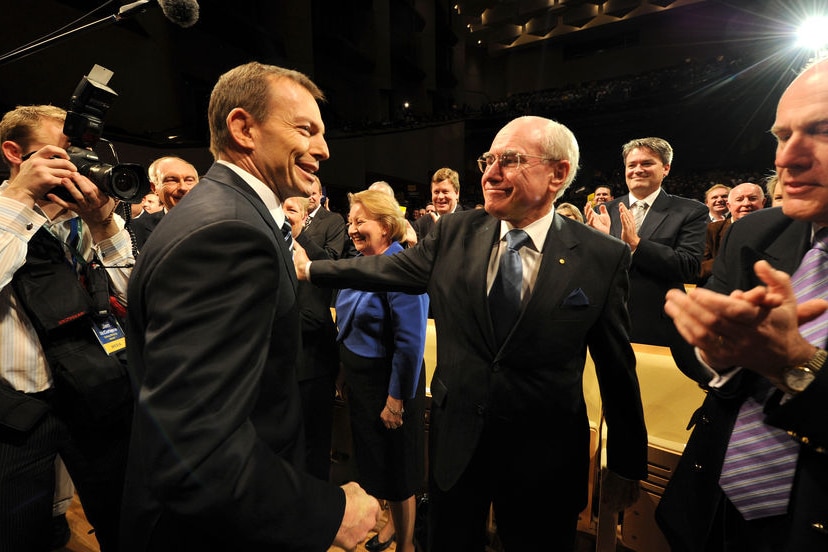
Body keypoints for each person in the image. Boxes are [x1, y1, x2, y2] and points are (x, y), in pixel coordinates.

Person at [296, 115, 648, 551]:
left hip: (545, 457)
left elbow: (617, 368)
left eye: (510, 160)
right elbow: (385, 267)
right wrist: (310, 269)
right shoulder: (453, 232)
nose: (490, 173)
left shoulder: (602, 256)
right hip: (457, 444)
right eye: (489, 159)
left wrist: (629, 465)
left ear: (558, 173)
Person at [121, 62, 380, 551]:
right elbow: (199, 444)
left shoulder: (226, 214)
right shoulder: (230, 232)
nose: (324, 149)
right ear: (244, 128)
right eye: (306, 129)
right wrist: (327, 513)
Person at [655, 58, 828, 552]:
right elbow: (714, 368)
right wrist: (718, 352)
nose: (787, 158)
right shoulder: (755, 233)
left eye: (822, 131)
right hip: (712, 510)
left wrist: (798, 365)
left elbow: (785, 362)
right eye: (781, 135)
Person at [0, 104, 134, 552]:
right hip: (18, 415)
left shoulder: (81, 224)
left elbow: (133, 297)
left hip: (91, 394)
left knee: (125, 521)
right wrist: (19, 200)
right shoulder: (4, 214)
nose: (75, 170)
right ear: (14, 154)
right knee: (22, 535)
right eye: (60, 156)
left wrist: (102, 223)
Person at [334, 189, 428, 552]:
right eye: (350, 222)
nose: (353, 230)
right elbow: (347, 324)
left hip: (391, 388)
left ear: (387, 226)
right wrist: (344, 371)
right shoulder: (359, 262)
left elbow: (410, 344)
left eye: (361, 222)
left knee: (399, 471)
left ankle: (405, 544)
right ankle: (387, 529)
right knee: (375, 466)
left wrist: (396, 399)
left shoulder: (402, 266)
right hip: (360, 385)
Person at [584, 136, 708, 347]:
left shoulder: (690, 211)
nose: (637, 170)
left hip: (656, 326)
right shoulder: (603, 211)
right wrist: (605, 242)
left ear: (666, 168)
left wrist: (636, 244)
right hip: (605, 323)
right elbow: (590, 269)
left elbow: (688, 266)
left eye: (647, 163)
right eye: (631, 165)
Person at [283, 194, 340, 482]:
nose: (285, 214)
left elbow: (315, 317)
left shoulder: (312, 257)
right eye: (281, 208)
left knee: (313, 451)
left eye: (291, 210)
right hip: (284, 369)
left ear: (306, 218)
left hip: (312, 368)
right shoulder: (273, 249)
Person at [698, 182, 765, 284]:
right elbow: (698, 270)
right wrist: (730, 259)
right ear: (729, 206)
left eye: (752, 198)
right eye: (739, 199)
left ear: (763, 203)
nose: (746, 203)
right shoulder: (710, 230)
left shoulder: (775, 229)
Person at [130, 155, 199, 249]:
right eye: (172, 180)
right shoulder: (137, 228)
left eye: (189, 180)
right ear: (154, 188)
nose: (183, 187)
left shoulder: (220, 221)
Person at [412, 168, 462, 240]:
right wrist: (412, 244)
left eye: (445, 191)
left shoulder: (469, 222)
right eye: (436, 192)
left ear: (457, 194)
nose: (440, 197)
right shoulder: (421, 223)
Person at [369, 180, 418, 247]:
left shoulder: (405, 226)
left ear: (391, 201)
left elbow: (411, 253)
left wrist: (412, 245)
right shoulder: (358, 222)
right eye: (372, 198)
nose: (377, 202)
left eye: (382, 198)